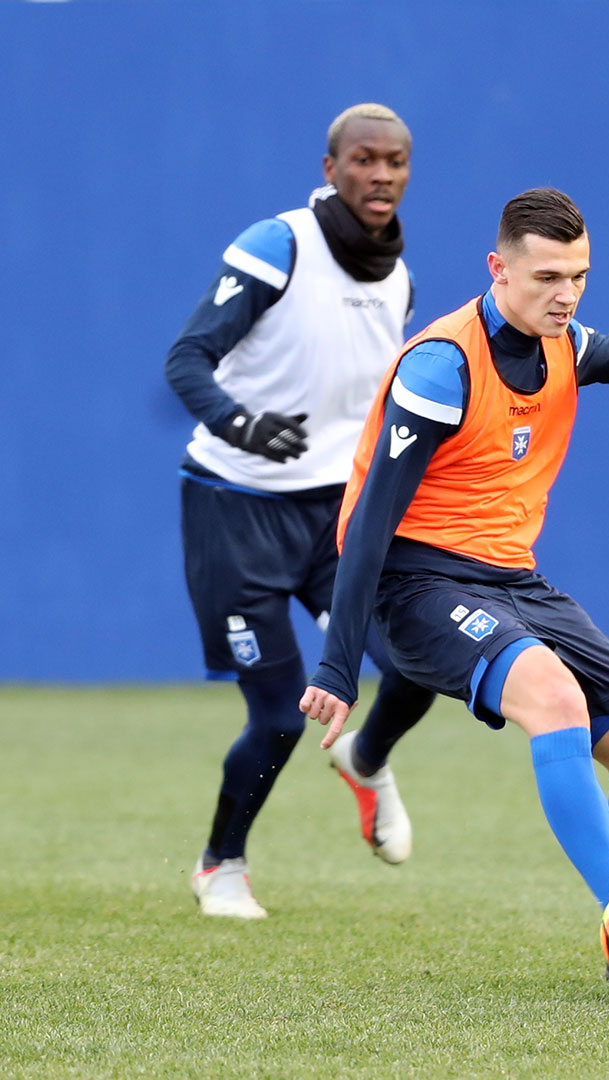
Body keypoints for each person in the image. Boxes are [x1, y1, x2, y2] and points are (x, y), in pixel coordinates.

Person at [300, 187, 609, 979]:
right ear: (498, 269)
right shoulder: (443, 366)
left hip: (513, 578)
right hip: (414, 581)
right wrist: (340, 663)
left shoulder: (563, 342)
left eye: (579, 276)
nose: (568, 294)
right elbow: (371, 524)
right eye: (549, 276)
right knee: (554, 698)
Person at [166, 104, 438, 919]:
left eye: (395, 161)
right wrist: (238, 421)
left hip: (334, 517)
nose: (380, 174)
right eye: (363, 160)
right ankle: (222, 867)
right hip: (234, 510)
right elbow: (186, 357)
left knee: (419, 663)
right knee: (284, 711)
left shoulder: (399, 278)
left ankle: (367, 758)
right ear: (330, 169)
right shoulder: (277, 245)